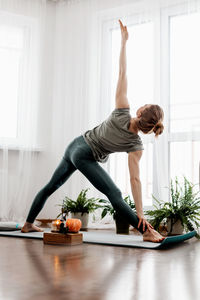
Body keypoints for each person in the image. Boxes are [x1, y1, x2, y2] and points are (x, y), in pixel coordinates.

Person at [21, 19, 165, 243]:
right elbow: (135, 180)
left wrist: (124, 42)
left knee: (52, 185)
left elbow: (122, 71)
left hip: (75, 145)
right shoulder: (135, 145)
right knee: (114, 194)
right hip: (83, 153)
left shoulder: (121, 109)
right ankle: (145, 230)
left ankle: (28, 223)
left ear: (140, 111)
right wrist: (140, 213)